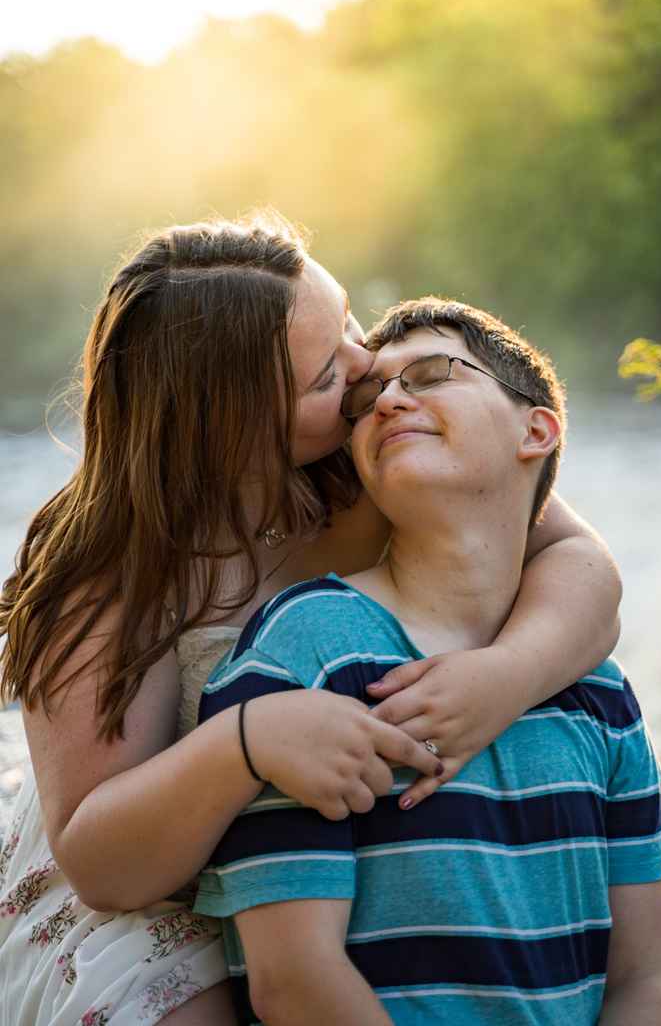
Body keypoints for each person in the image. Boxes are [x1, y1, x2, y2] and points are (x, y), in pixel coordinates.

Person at [0, 216, 621, 1025]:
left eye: (350, 322)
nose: (370, 368)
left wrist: (509, 675)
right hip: (165, 884)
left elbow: (585, 570)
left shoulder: (375, 460)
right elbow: (103, 865)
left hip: (339, 846)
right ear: (233, 429)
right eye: (329, 373)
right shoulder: (112, 572)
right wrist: (244, 742)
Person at [195, 297, 661, 1026]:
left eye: (431, 374)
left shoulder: (596, 689)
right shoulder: (309, 644)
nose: (390, 399)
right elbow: (295, 980)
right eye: (367, 399)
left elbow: (649, 978)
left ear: (537, 430)